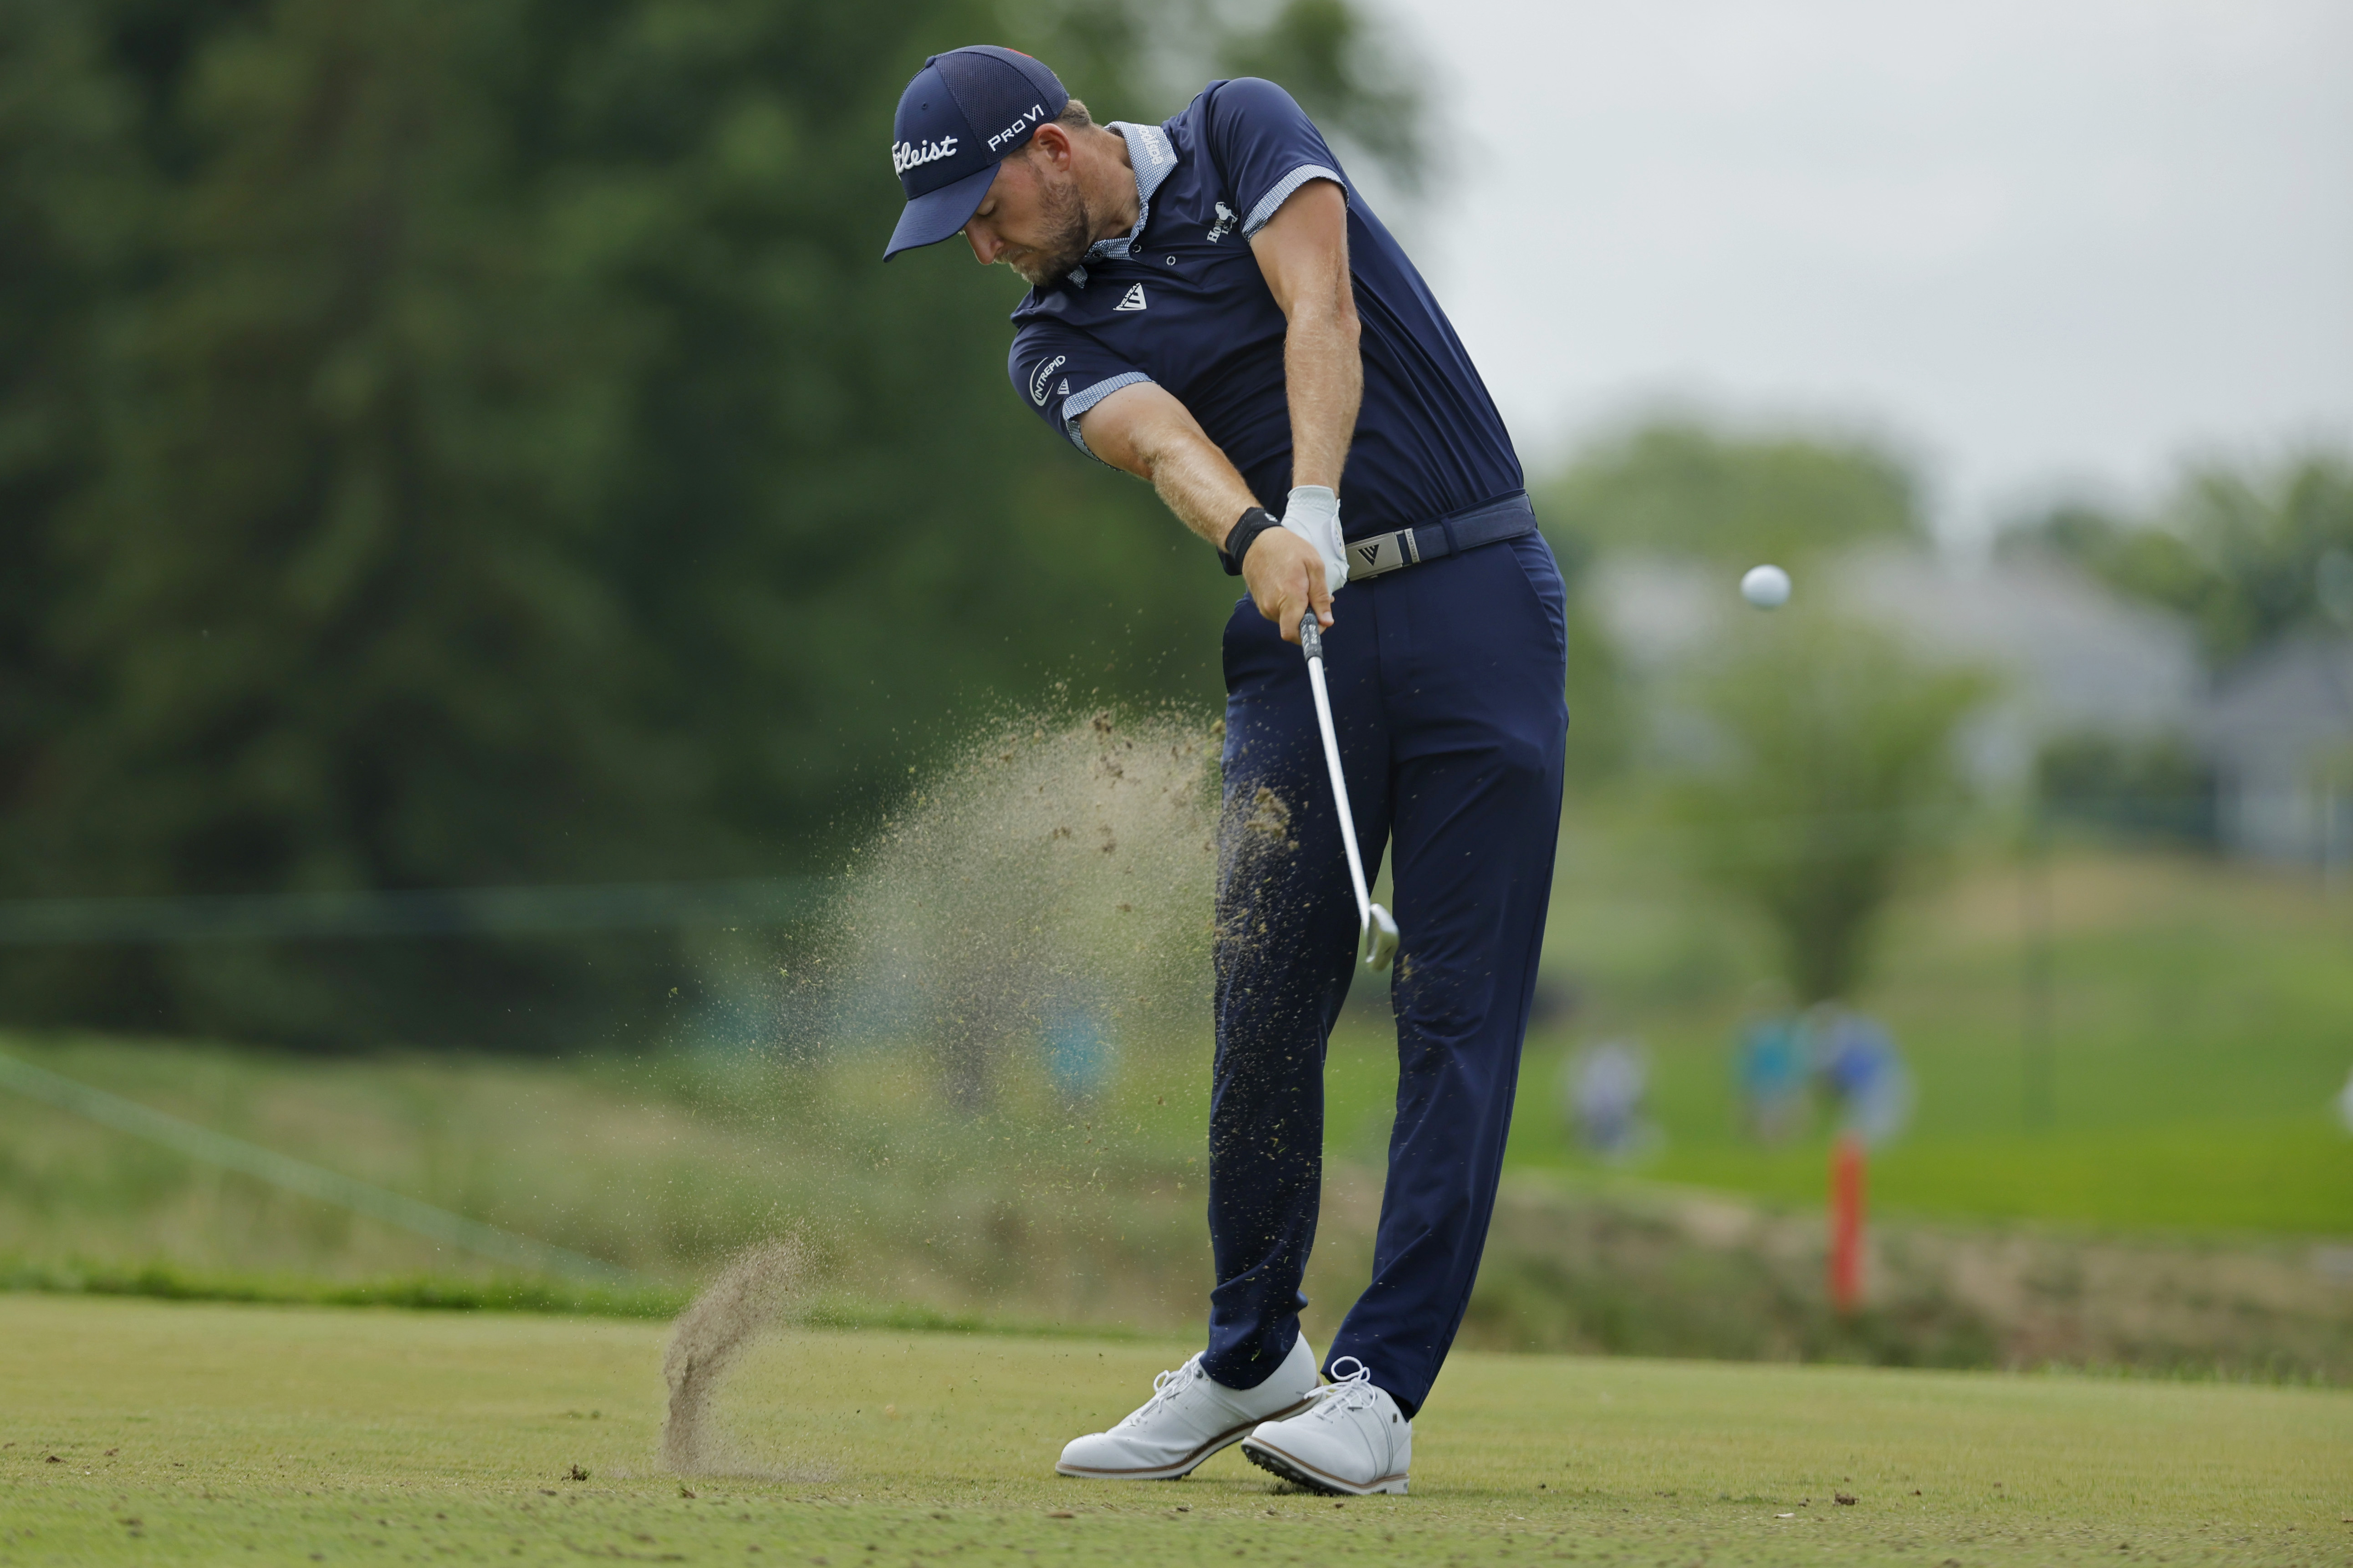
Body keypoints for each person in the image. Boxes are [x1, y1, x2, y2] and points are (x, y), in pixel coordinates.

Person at [882, 45, 1568, 1497]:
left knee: (1454, 1007)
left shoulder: (1238, 129)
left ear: (1053, 150)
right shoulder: (1046, 335)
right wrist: (1260, 534)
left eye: (984, 210)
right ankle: (1252, 1347)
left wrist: (1312, 500)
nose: (984, 249)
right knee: (1260, 991)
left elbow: (1317, 301)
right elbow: (1165, 442)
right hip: (1293, 624)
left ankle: (1380, 1391)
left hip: (1475, 597)